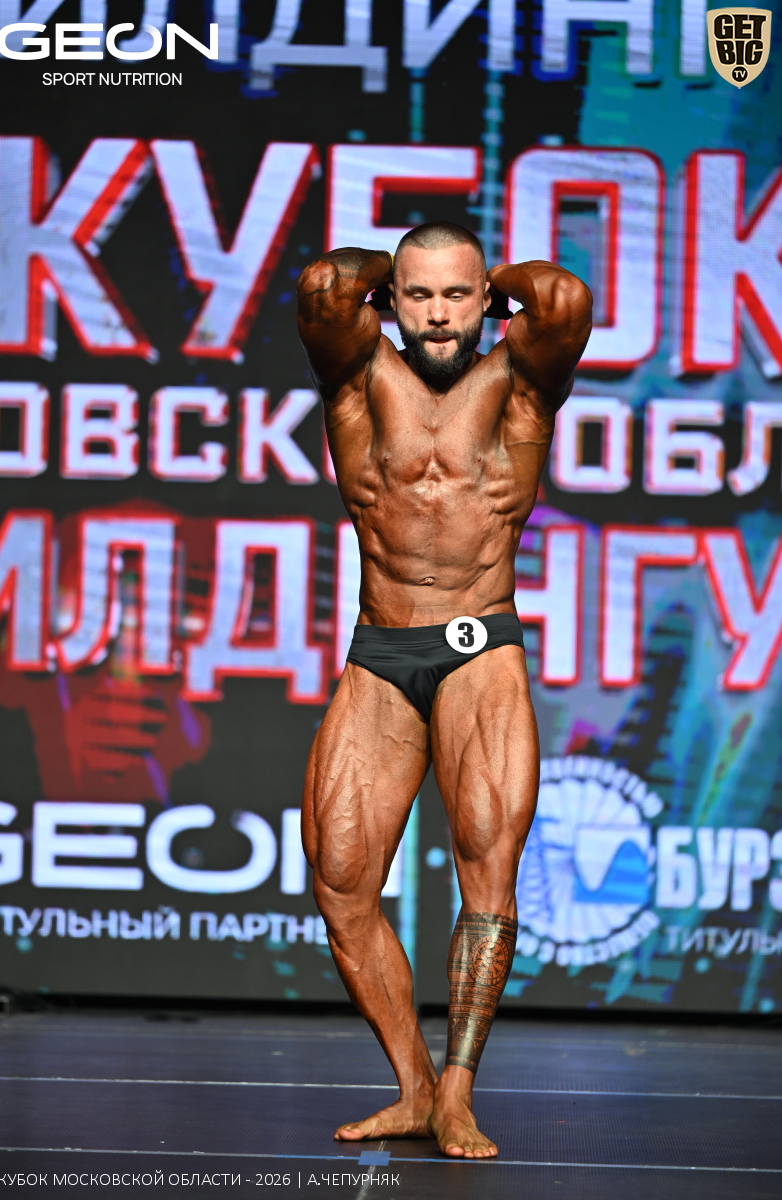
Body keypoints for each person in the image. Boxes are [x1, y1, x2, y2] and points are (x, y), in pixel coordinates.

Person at [296, 223, 592, 1159]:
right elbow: (324, 286)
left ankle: (459, 1094)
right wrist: (390, 272)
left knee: (485, 871)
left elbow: (565, 300)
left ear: (486, 302)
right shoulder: (358, 379)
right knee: (341, 882)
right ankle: (414, 1087)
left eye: (456, 296)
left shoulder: (520, 382)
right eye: (418, 295)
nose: (436, 315)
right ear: (391, 299)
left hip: (479, 649)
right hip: (381, 649)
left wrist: (493, 277)